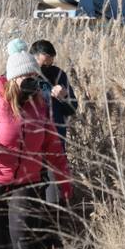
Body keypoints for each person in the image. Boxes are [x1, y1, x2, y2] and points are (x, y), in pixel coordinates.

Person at [0, 51, 72, 249]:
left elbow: (53, 147)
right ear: (13, 78)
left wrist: (63, 180)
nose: (31, 82)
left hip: (26, 179)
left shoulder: (39, 105)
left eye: (35, 77)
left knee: (22, 233)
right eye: (27, 77)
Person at [31, 38, 79, 209]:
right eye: (43, 64)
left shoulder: (59, 75)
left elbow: (73, 108)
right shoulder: (24, 76)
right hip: (31, 144)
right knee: (33, 191)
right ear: (32, 59)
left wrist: (65, 96)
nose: (46, 69)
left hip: (56, 141)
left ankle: (56, 222)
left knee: (55, 192)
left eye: (50, 64)